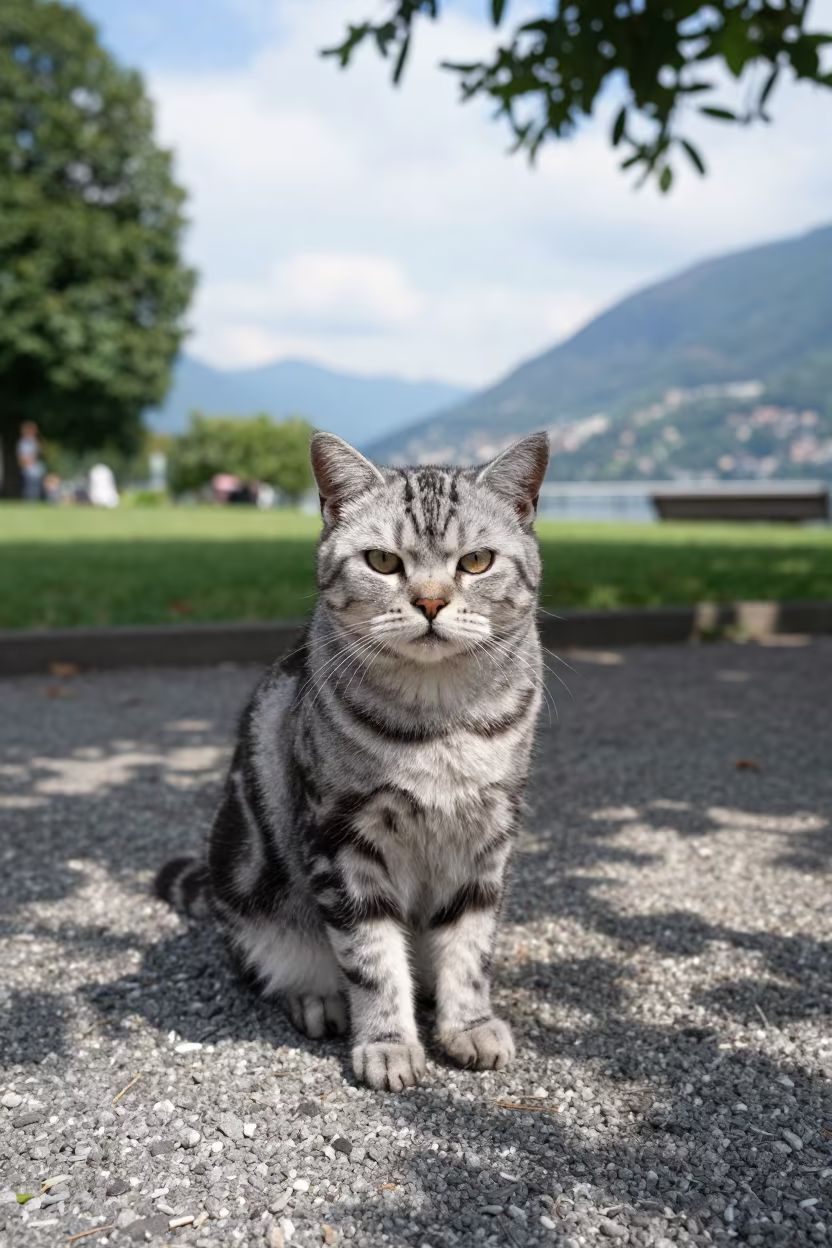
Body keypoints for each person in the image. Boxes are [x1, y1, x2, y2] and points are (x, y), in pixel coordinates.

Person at [16, 421, 44, 501]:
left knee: (35, 486)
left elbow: (40, 452)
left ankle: (34, 500)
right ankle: (29, 501)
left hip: (35, 467)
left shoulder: (34, 441)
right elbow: (22, 457)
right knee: (29, 486)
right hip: (28, 467)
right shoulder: (24, 442)